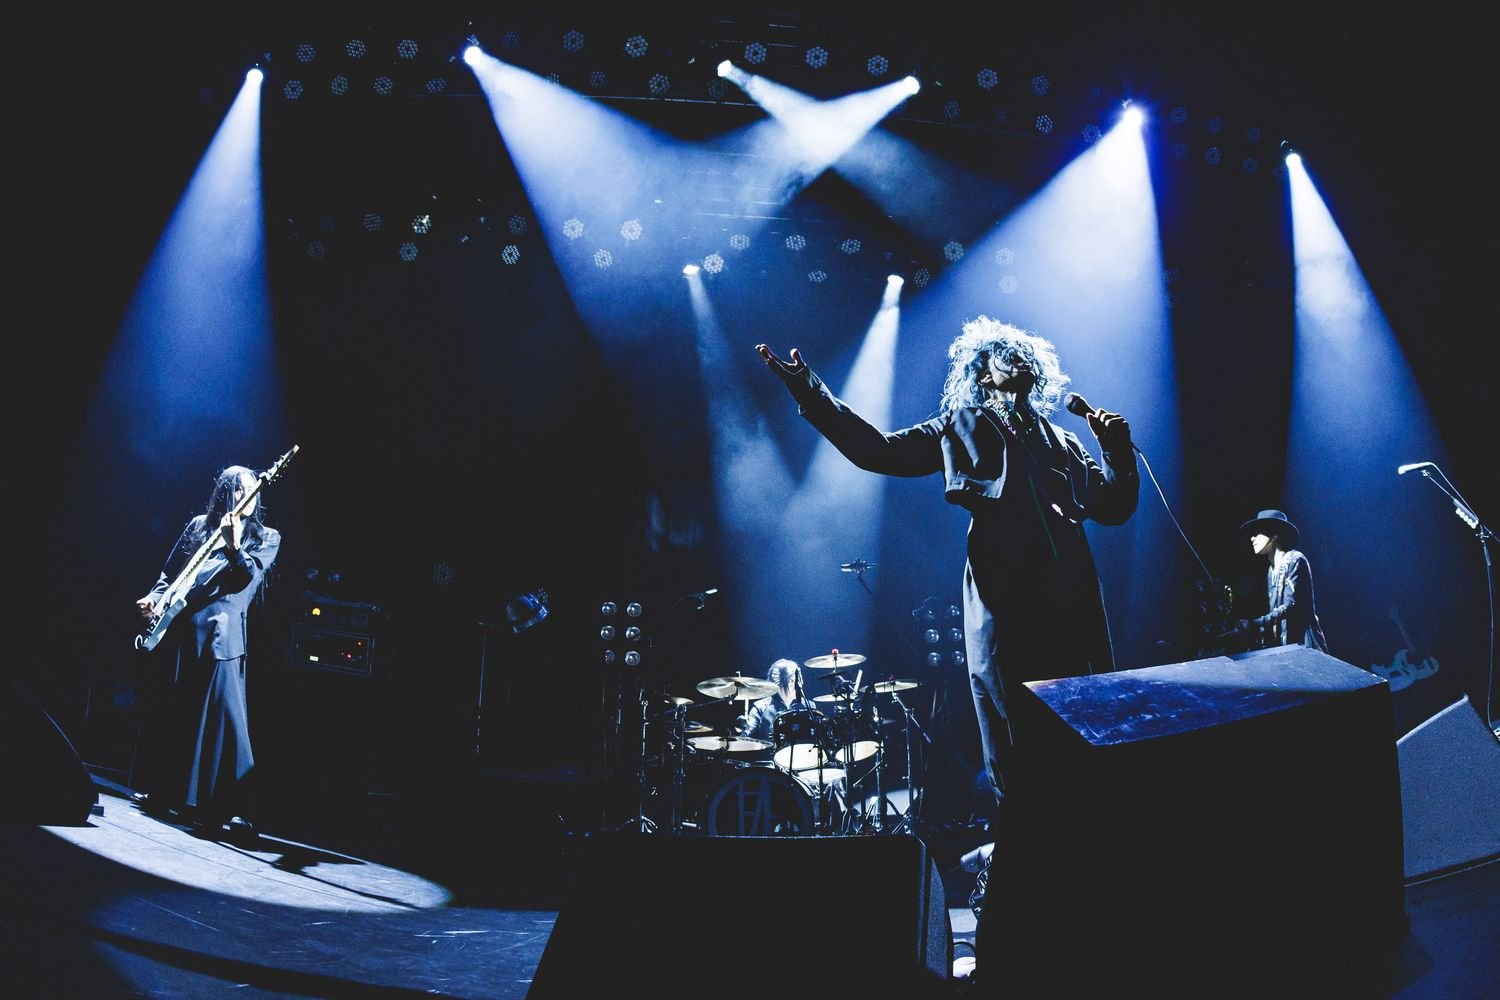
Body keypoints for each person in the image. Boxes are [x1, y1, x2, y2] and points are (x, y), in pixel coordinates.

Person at [758, 317, 1138, 911]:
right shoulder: (961, 424)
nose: (1018, 359)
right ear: (984, 372)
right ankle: (1019, 897)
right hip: (1005, 597)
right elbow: (876, 451)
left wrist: (1114, 449)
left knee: (1080, 737)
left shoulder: (1062, 440)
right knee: (1016, 747)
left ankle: (1084, 888)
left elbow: (1113, 506)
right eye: (1005, 354)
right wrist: (810, 389)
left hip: (1070, 598)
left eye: (1024, 352)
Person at [132, 463, 282, 842]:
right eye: (237, 489)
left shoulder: (265, 537)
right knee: (176, 714)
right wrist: (154, 598)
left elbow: (246, 578)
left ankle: (231, 810)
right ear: (224, 493)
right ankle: (166, 794)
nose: (245, 496)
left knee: (224, 725)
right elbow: (170, 575)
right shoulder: (200, 526)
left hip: (222, 637)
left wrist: (233, 546)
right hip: (183, 631)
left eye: (251, 488)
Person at [1237, 508, 1328, 652]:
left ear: (1274, 536)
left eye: (1257, 533)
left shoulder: (1295, 559)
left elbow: (1290, 605)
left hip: (1303, 644)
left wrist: (1256, 623)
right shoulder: (1271, 570)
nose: (1252, 538)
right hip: (1284, 645)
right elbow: (1276, 611)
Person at [735, 658, 817, 742]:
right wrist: (740, 729)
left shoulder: (809, 706)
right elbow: (744, 740)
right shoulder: (760, 707)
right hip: (771, 750)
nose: (792, 684)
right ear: (776, 684)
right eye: (789, 681)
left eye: (793, 680)